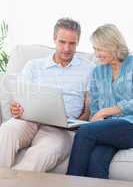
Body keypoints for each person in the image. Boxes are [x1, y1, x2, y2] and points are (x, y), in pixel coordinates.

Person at [0, 18, 94, 171]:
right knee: (6, 131)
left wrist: (75, 123)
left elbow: (87, 110)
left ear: (78, 42)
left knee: (45, 152)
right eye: (62, 42)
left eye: (72, 43)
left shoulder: (88, 68)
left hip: (62, 129)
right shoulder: (34, 66)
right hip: (28, 121)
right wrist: (16, 108)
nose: (66, 48)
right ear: (54, 39)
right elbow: (18, 101)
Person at [67, 24, 133, 179]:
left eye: (99, 49)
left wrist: (107, 111)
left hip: (130, 126)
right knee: (96, 159)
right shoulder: (98, 71)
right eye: (94, 49)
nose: (96, 54)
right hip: (108, 129)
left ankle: (68, 182)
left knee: (85, 133)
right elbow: (95, 104)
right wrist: (99, 115)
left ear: (113, 46)